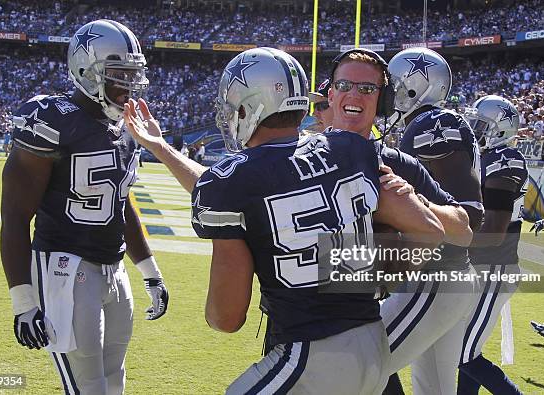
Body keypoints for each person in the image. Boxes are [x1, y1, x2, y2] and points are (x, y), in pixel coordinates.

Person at [124, 46, 446, 394]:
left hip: (311, 354)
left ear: (249, 108)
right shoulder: (351, 151)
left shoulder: (230, 184)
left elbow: (226, 318)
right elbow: (431, 230)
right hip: (372, 344)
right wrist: (368, 268)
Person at [0, 20, 169, 395]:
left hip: (115, 268)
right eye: (118, 74)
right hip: (65, 268)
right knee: (87, 386)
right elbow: (14, 218)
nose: (127, 84)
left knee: (114, 379)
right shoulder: (52, 120)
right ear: (86, 71)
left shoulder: (128, 127)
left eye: (132, 74)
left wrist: (150, 271)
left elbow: (121, 204)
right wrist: (23, 301)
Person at [383, 47, 484, 395]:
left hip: (437, 277)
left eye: (393, 84)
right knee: (436, 389)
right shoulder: (429, 124)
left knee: (350, 364)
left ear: (414, 86)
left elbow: (464, 214)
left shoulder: (434, 124)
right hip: (448, 278)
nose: (386, 93)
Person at [458, 95, 528, 395]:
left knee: (462, 352)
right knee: (463, 349)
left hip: (493, 269)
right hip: (480, 268)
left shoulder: (504, 160)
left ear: (500, 129)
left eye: (480, 124)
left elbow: (495, 231)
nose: (473, 129)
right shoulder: (485, 158)